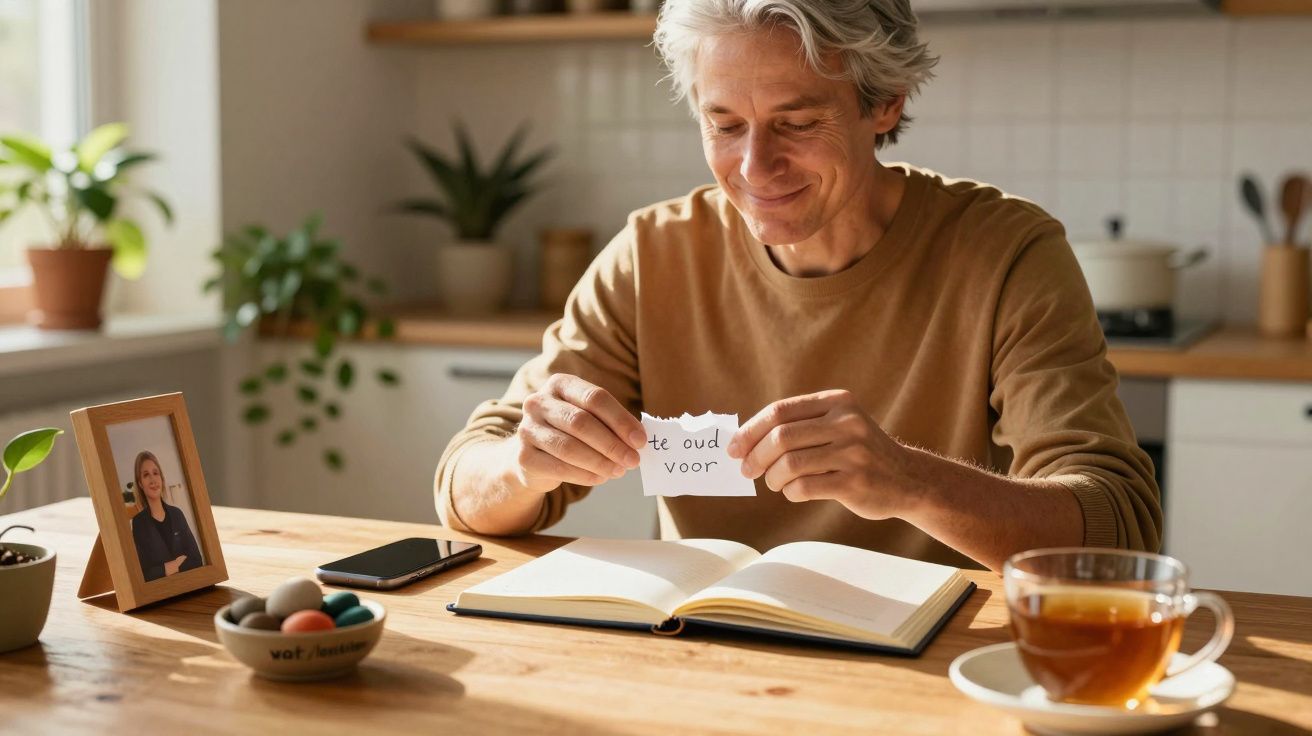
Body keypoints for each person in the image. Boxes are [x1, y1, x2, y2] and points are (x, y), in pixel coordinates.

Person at [434, 0, 1161, 572]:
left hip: (936, 665)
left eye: (799, 122)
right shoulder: (652, 256)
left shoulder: (1007, 254)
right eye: (724, 125)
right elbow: (463, 487)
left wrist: (910, 481)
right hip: (708, 654)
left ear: (886, 103)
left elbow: (1120, 530)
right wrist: (523, 466)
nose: (755, 167)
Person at [130, 450, 202, 581]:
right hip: (161, 592)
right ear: (140, 484)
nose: (153, 480)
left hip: (189, 586)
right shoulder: (138, 523)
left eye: (155, 473)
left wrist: (163, 570)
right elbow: (144, 574)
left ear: (162, 479)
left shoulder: (177, 514)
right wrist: (175, 564)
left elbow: (197, 560)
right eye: (146, 475)